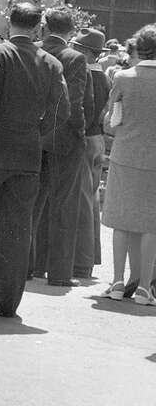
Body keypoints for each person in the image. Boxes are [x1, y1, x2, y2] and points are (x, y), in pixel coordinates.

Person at [0, 2, 67, 318]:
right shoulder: (50, 63)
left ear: (10, 23)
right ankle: (8, 303)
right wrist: (37, 130)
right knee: (17, 227)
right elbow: (63, 109)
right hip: (28, 150)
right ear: (37, 28)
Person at [33, 7, 92, 287]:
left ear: (44, 26)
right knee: (64, 206)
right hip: (64, 139)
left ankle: (31, 264)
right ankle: (59, 272)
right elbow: (75, 102)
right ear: (71, 30)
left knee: (32, 203)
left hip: (32, 137)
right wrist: (79, 134)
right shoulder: (74, 58)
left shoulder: (32, 51)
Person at [101, 24, 156, 305]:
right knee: (151, 224)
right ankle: (145, 288)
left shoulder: (123, 77)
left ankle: (118, 281)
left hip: (125, 155)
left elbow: (111, 120)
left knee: (121, 220)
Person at [73, 28, 109, 280]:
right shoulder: (105, 77)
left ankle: (81, 259)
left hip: (84, 138)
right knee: (90, 199)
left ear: (85, 52)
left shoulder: (84, 74)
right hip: (97, 139)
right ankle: (89, 255)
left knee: (80, 199)